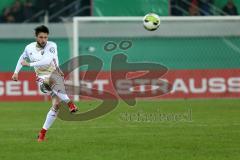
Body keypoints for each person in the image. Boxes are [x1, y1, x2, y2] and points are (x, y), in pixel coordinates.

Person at [12, 25, 78, 142]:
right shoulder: (29, 48)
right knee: (51, 81)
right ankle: (70, 104)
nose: (43, 40)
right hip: (41, 78)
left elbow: (48, 60)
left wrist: (30, 64)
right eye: (41, 37)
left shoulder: (52, 45)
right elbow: (21, 58)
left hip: (54, 76)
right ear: (36, 37)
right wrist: (16, 72)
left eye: (45, 37)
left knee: (56, 106)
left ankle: (42, 134)